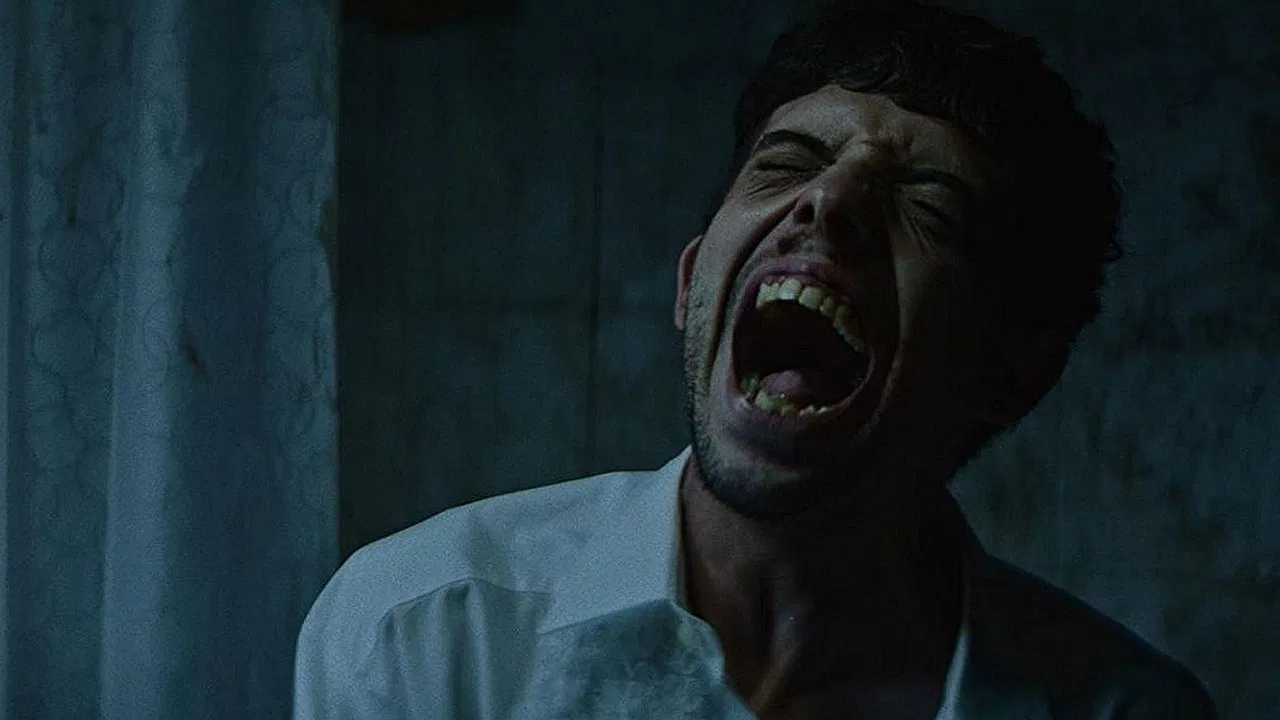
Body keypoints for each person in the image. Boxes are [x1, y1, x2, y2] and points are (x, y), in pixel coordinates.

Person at [294, 1, 1218, 717]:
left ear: (1012, 371)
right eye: (787, 164)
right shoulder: (428, 633)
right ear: (692, 282)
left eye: (928, 207)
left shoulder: (1125, 711)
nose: (828, 202)